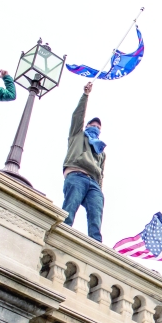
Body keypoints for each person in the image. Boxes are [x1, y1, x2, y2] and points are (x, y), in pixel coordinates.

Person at [62, 82, 106, 242]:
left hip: (93, 182)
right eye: (92, 125)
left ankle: (96, 246)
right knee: (69, 210)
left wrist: (100, 190)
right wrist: (85, 95)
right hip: (77, 175)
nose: (95, 127)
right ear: (87, 125)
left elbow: (101, 173)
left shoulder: (101, 150)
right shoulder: (77, 135)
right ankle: (62, 236)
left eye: (98, 127)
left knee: (96, 217)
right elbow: (77, 116)